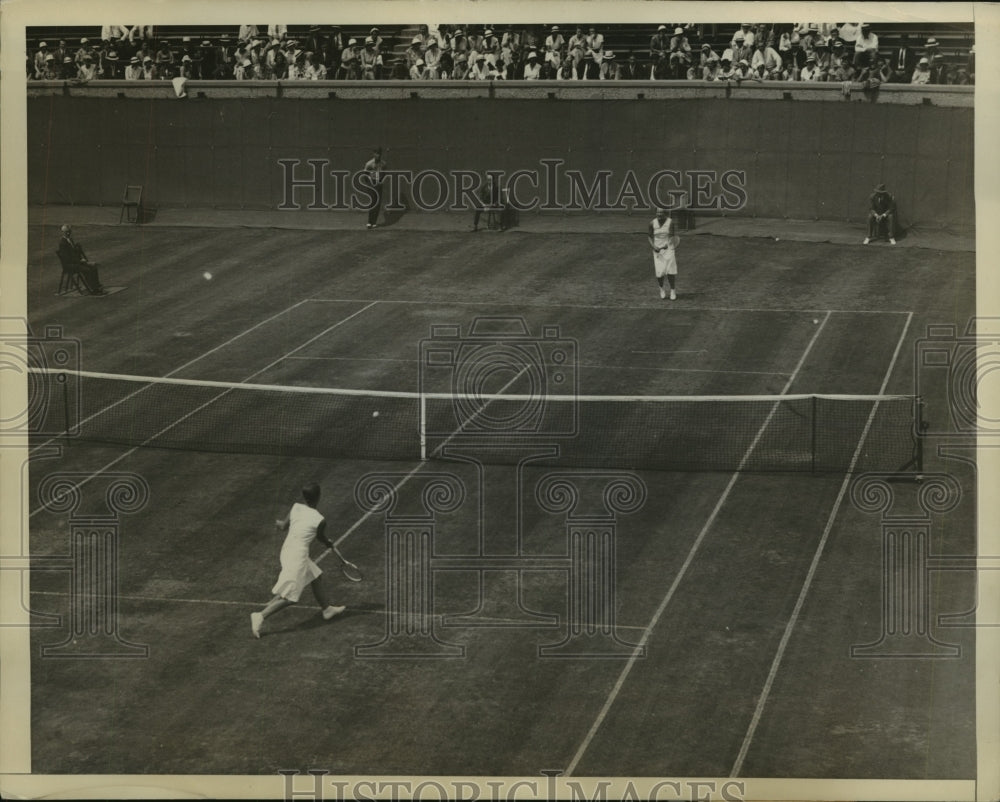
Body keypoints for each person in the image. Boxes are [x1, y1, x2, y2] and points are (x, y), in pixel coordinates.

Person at [250, 483, 345, 639]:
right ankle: (260, 616)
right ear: (319, 497)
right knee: (291, 597)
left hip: (287, 550)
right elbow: (321, 538)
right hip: (297, 556)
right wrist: (329, 542)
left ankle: (327, 610)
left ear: (305, 497)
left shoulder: (295, 508)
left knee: (315, 576)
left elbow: (282, 526)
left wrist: (277, 522)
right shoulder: (320, 520)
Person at [57, 225, 107, 294]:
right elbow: (67, 259)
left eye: (69, 231)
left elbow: (74, 253)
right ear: (63, 232)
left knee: (93, 267)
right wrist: (80, 261)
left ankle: (97, 286)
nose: (68, 233)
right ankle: (94, 290)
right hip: (70, 265)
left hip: (75, 262)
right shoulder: (62, 243)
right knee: (87, 270)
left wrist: (80, 255)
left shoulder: (70, 240)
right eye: (66, 232)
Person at [648, 208, 679, 300]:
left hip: (669, 249)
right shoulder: (652, 223)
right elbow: (649, 237)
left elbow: (672, 235)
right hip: (657, 250)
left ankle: (673, 291)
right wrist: (653, 246)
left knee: (670, 271)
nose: (659, 214)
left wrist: (667, 244)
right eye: (658, 212)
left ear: (664, 214)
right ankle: (661, 289)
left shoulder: (670, 222)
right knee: (660, 273)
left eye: (661, 212)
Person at [363, 147, 386, 229]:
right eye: (376, 153)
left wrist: (380, 181)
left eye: (379, 153)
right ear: (373, 154)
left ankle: (374, 222)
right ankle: (370, 222)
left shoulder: (383, 163)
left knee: (377, 203)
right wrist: (370, 183)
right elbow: (365, 175)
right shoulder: (369, 163)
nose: (378, 155)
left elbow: (385, 173)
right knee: (372, 203)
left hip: (379, 185)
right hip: (372, 185)